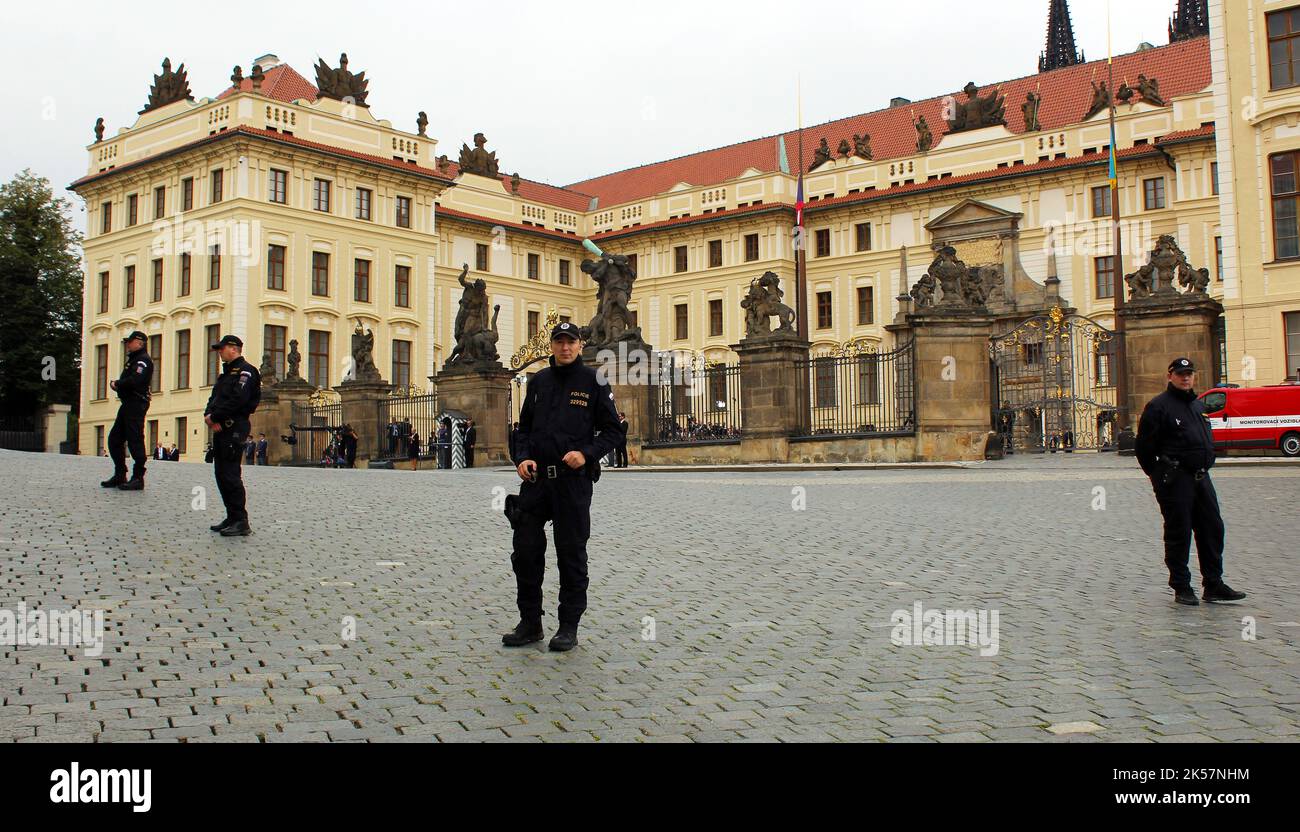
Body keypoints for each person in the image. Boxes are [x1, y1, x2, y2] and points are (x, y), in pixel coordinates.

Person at [503, 321, 621, 652]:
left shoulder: (594, 380)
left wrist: (586, 453)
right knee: (525, 552)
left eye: (571, 342)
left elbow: (614, 431)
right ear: (552, 346)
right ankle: (530, 623)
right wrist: (521, 457)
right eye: (559, 342)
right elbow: (522, 429)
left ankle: (568, 626)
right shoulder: (538, 381)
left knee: (570, 555)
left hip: (572, 484)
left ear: (581, 345)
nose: (565, 347)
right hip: (536, 481)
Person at [1136, 357, 1247, 606]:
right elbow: (1143, 448)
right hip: (1176, 479)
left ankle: (1213, 584)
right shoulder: (1158, 407)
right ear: (1170, 376)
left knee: (1212, 529)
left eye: (1189, 373)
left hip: (1201, 477)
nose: (1185, 378)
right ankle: (1182, 586)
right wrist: (1158, 476)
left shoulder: (1197, 406)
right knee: (1179, 532)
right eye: (1180, 374)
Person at [203, 335, 261, 536]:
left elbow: (239, 399)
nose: (219, 352)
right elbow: (214, 398)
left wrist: (216, 416)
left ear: (234, 349)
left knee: (230, 474)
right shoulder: (225, 375)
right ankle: (231, 515)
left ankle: (241, 520)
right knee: (220, 473)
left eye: (222, 348)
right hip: (221, 427)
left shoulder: (246, 371)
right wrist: (208, 415)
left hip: (234, 427)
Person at [101, 331, 154, 491]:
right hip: (128, 403)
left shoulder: (142, 361)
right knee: (115, 439)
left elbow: (135, 381)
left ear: (139, 343)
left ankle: (138, 477)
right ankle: (120, 474)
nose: (128, 345)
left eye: (130, 342)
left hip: (136, 403)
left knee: (135, 439)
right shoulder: (135, 359)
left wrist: (118, 384)